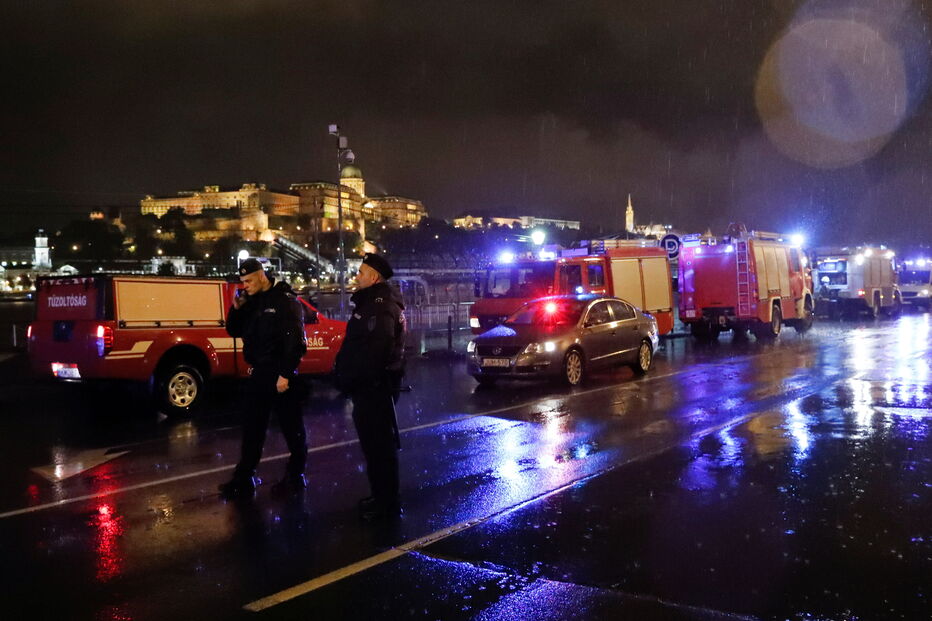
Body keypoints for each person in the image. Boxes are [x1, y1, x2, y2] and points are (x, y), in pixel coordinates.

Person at [218, 258, 308, 499]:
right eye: (242, 281)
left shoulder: (285, 301)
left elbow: (296, 342)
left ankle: (295, 475)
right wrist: (236, 309)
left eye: (248, 280)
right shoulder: (252, 302)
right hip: (259, 372)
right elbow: (234, 331)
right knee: (252, 429)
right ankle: (244, 478)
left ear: (261, 276)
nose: (245, 285)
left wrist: (286, 374)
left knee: (292, 428)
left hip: (280, 373)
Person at [335, 253, 406, 520]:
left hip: (374, 387)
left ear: (374, 277)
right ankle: (381, 496)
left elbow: (377, 350)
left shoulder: (379, 305)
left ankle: (387, 503)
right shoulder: (373, 303)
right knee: (374, 446)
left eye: (361, 272)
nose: (357, 276)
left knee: (380, 447)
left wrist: (358, 378)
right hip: (368, 386)